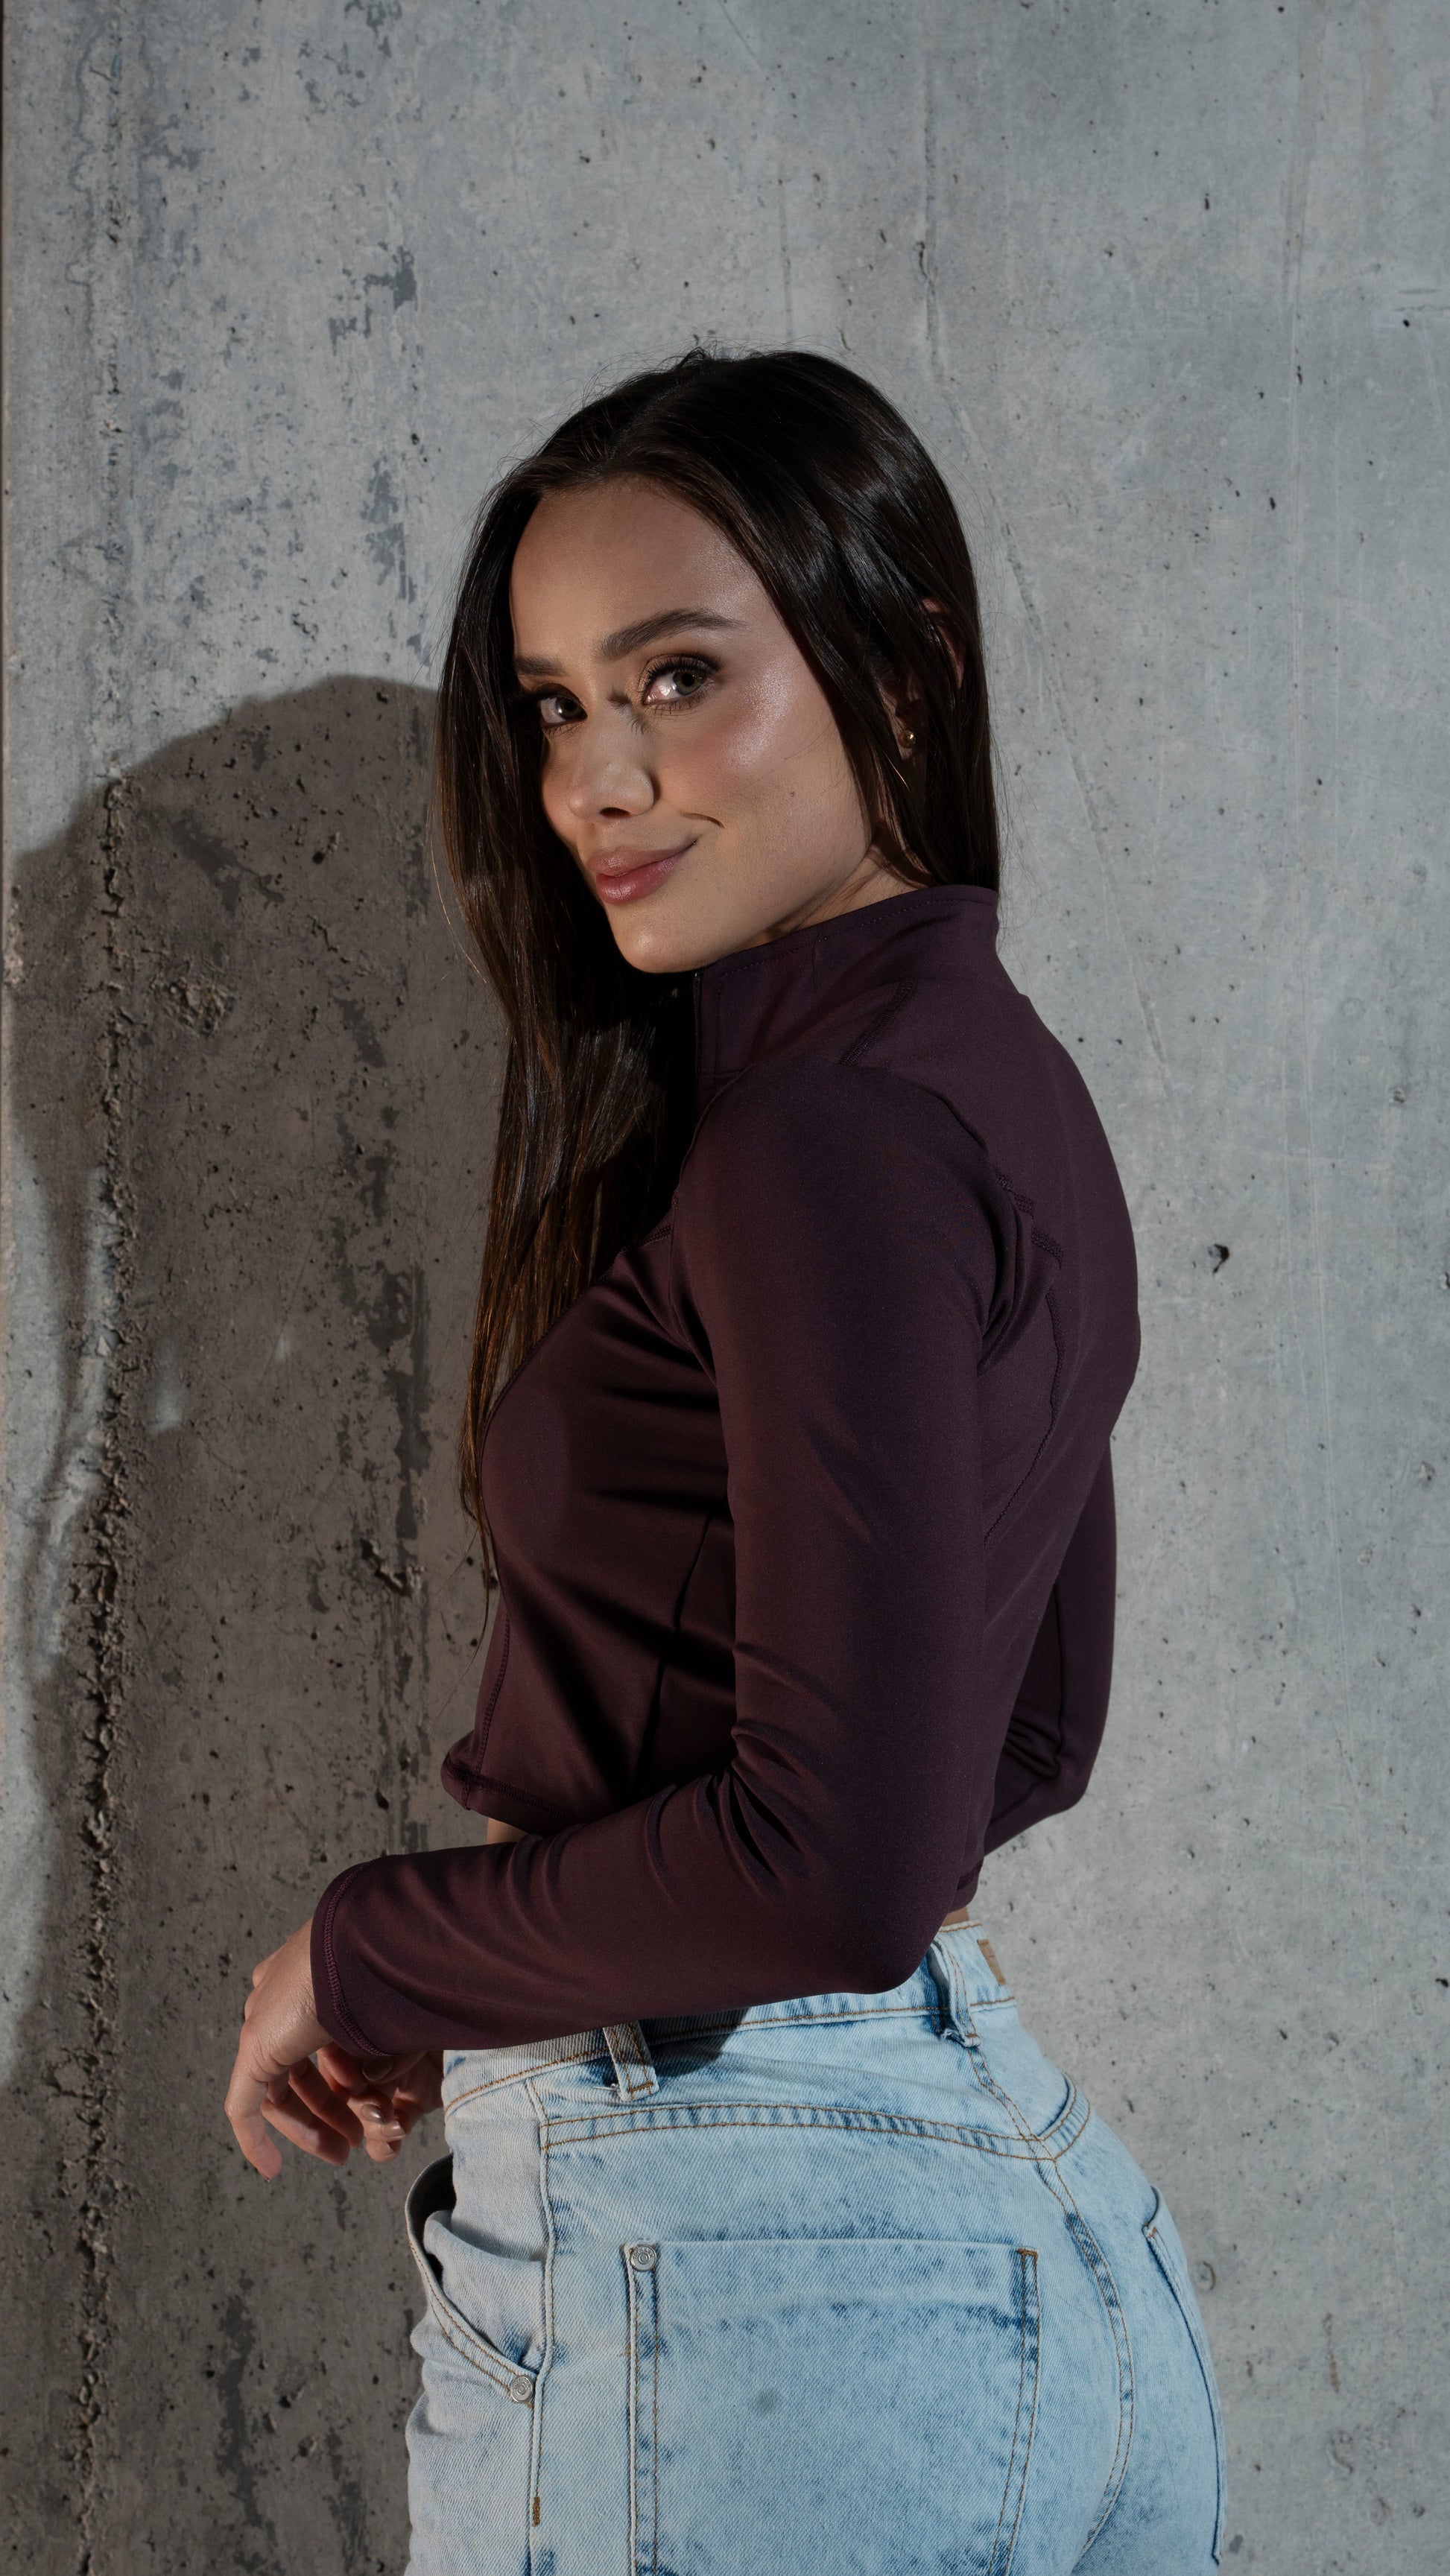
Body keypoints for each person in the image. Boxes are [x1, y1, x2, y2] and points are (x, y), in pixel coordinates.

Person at [224, 349, 1226, 2574]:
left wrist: (373, 1950)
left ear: (902, 663)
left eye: (677, 676)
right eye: (554, 705)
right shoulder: (999, 1085)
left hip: (749, 2278)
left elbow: (841, 1869)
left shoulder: (817, 1139)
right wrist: (541, 1958)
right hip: (1037, 2253)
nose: (600, 778)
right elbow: (1025, 1740)